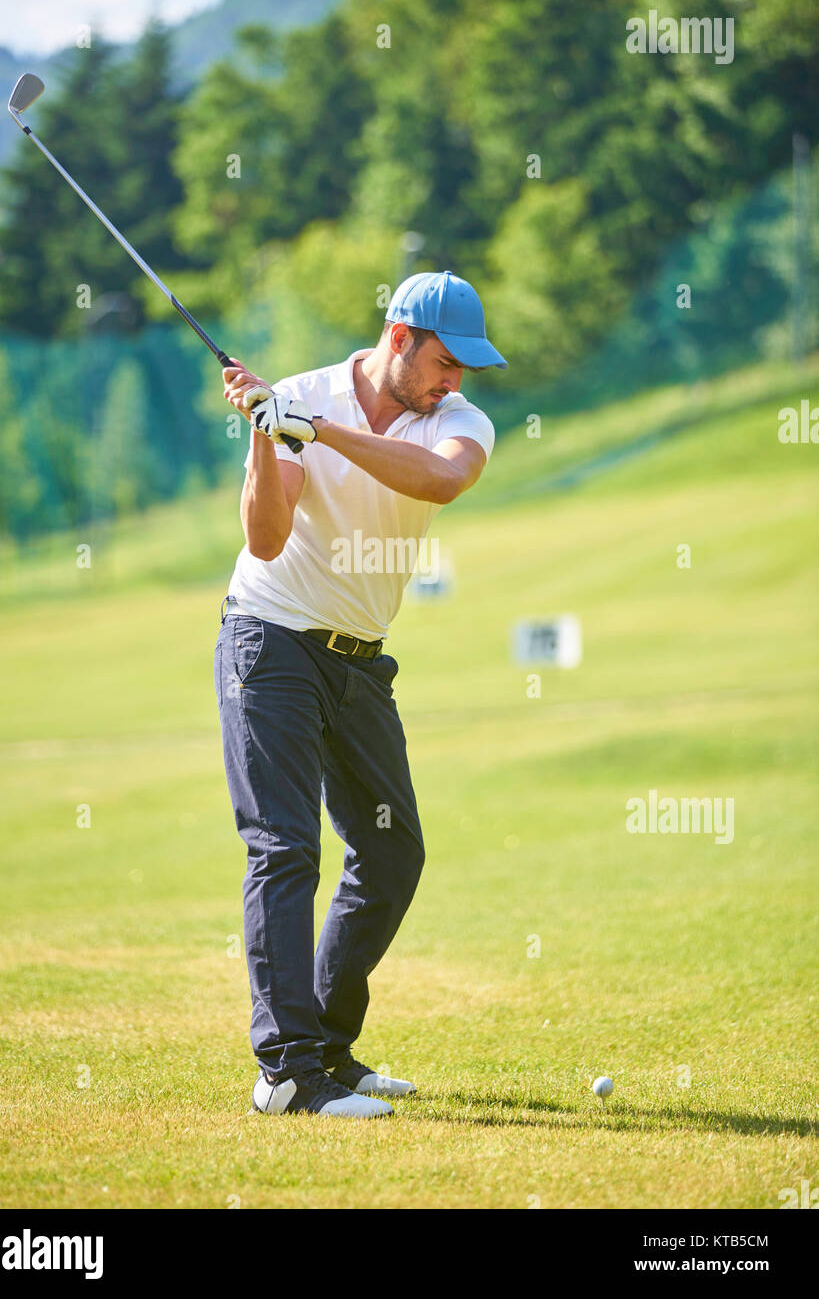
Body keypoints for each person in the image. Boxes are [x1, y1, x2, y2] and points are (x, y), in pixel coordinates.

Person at [215, 271, 506, 1117]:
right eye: (445, 362)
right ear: (399, 336)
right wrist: (273, 440)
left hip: (357, 660)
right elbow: (266, 542)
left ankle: (330, 1050)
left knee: (389, 855)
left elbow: (438, 480)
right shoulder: (299, 400)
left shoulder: (455, 420)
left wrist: (321, 431)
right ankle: (286, 1072)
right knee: (283, 847)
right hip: (269, 641)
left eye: (463, 371)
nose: (453, 383)